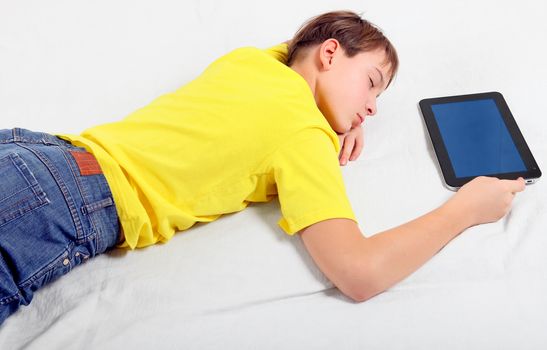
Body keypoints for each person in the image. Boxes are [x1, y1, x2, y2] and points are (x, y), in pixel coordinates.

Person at [0, 10, 525, 325]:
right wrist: (464, 209)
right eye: (372, 83)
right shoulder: (303, 136)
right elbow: (359, 273)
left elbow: (296, 51)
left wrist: (343, 105)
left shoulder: (252, 61)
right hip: (68, 201)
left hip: (39, 154)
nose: (372, 109)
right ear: (330, 53)